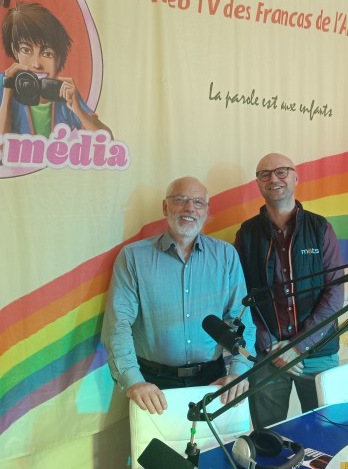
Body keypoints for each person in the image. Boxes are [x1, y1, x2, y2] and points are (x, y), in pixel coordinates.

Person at [101, 177, 254, 414]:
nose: (190, 208)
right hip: (152, 384)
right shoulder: (133, 257)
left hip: (214, 380)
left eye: (198, 202)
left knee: (214, 440)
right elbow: (117, 325)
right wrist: (134, 381)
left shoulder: (226, 255)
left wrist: (238, 372)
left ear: (206, 211)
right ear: (165, 207)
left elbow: (241, 321)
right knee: (157, 440)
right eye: (180, 200)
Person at [234, 153, 344, 428]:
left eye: (281, 171)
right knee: (268, 437)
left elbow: (334, 294)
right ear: (258, 183)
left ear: (296, 177)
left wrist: (299, 346)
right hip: (267, 356)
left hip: (318, 352)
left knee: (327, 432)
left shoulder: (320, 227)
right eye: (265, 174)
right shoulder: (246, 234)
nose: (274, 178)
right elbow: (241, 298)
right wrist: (269, 345)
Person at [0, 2, 111, 137]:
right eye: (26, 50)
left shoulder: (63, 92)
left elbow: (105, 138)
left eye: (47, 54)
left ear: (58, 59)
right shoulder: (4, 83)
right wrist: (8, 90)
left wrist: (78, 109)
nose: (36, 64)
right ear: (15, 51)